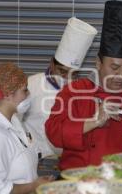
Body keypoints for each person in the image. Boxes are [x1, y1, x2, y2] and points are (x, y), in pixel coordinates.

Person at [45, 0, 122, 170]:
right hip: (81, 180)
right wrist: (94, 121)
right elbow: (54, 133)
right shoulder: (73, 92)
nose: (120, 76)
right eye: (114, 67)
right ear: (98, 63)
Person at [22, 17, 97, 158]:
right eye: (62, 71)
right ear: (52, 64)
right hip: (37, 158)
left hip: (68, 158)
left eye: (73, 74)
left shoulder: (80, 92)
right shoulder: (30, 85)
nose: (66, 78)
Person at [0, 63, 54, 194]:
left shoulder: (14, 121)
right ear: (8, 94)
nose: (28, 94)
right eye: (25, 90)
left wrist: (37, 182)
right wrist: (33, 186)